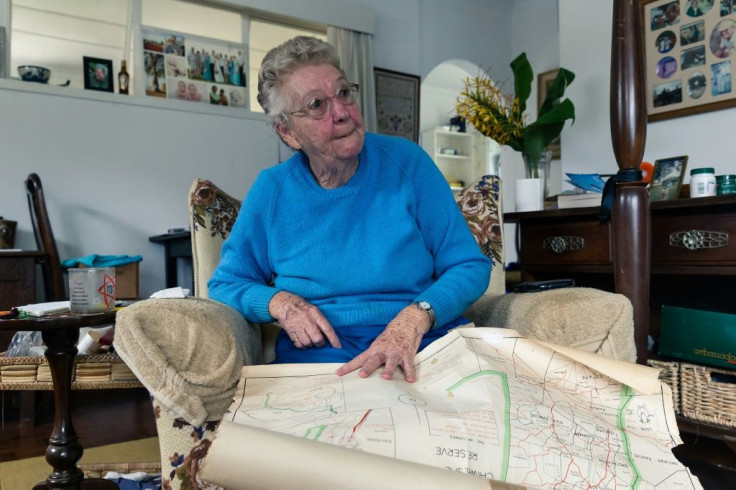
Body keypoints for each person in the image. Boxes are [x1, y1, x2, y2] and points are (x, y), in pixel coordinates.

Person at [208, 36, 491, 383]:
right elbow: (227, 282)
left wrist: (416, 317)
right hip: (323, 354)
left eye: (343, 93)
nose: (341, 112)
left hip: (422, 340)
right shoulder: (272, 191)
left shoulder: (407, 163)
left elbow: (469, 265)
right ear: (288, 132)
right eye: (316, 105)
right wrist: (279, 303)